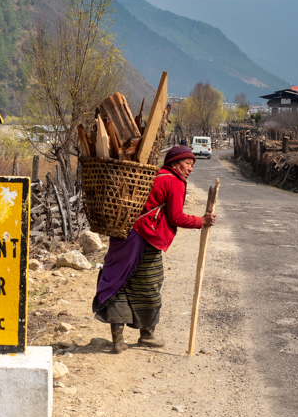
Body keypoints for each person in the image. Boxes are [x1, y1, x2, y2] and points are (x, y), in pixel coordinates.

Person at [92, 145, 216, 354]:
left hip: (122, 234)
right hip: (145, 239)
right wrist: (201, 221)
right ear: (175, 163)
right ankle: (147, 336)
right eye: (187, 163)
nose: (190, 169)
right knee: (150, 284)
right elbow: (176, 217)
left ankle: (117, 341)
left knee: (119, 281)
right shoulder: (174, 182)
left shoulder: (152, 176)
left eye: (192, 164)